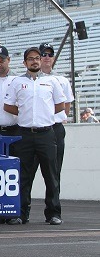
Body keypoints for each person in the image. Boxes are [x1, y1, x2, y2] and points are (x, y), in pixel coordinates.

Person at [4, 47, 65, 225]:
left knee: (51, 175)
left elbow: (60, 105)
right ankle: (21, 213)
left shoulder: (52, 81)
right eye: (31, 59)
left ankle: (53, 213)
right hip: (24, 133)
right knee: (23, 175)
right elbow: (8, 106)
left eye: (37, 58)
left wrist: (43, 113)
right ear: (25, 63)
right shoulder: (17, 82)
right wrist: (24, 113)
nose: (35, 61)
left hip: (46, 132)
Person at [38, 42, 75, 207]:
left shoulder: (61, 80)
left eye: (49, 55)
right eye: (43, 54)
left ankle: (53, 209)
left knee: (54, 171)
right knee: (27, 171)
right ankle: (23, 210)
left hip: (55, 127)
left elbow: (66, 105)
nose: (46, 58)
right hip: (36, 129)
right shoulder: (30, 79)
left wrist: (54, 116)